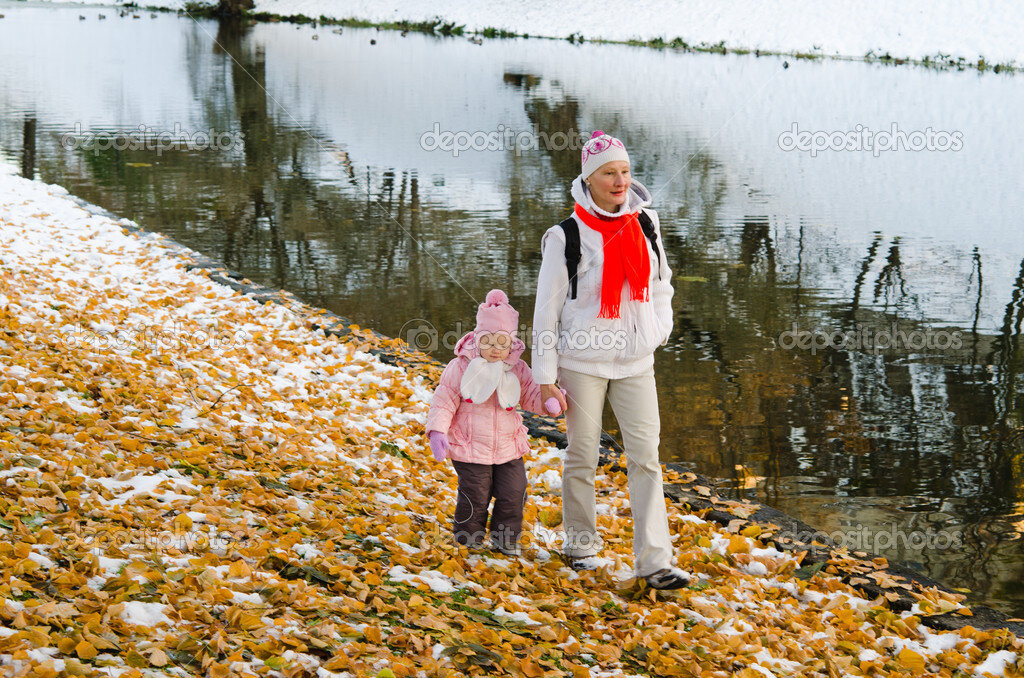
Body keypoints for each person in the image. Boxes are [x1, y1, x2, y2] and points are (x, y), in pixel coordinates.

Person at [530, 130, 691, 589]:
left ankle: (654, 561)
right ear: (589, 177)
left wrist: (658, 330)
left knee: (647, 459)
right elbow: (547, 310)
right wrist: (545, 378)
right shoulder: (565, 236)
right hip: (582, 362)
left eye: (624, 171)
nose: (620, 181)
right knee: (582, 455)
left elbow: (662, 283)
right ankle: (581, 544)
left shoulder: (646, 223)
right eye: (609, 173)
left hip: (637, 360)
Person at [425, 289, 561, 556]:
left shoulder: (518, 369)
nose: (495, 349)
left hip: (507, 445)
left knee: (514, 491)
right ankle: (468, 538)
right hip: (469, 444)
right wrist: (437, 431)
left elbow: (531, 395)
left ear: (511, 344)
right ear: (477, 339)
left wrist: (548, 401)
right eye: (488, 341)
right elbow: (444, 399)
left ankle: (506, 538)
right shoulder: (462, 366)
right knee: (475, 494)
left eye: (502, 342)